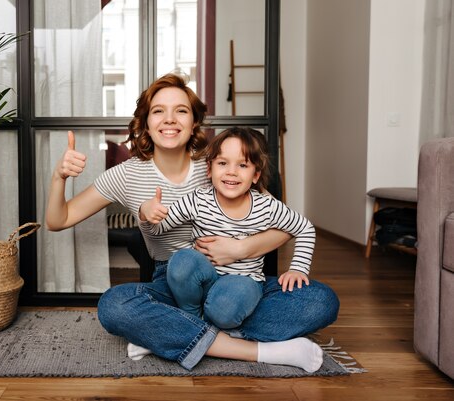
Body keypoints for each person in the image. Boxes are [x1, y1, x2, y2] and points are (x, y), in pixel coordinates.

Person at [46, 73, 339, 373]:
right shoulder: (126, 175)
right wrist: (60, 177)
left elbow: (280, 222)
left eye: (181, 111)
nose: (170, 119)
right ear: (145, 122)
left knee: (321, 301)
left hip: (239, 279)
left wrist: (240, 248)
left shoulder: (219, 163)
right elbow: (58, 220)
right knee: (113, 306)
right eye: (159, 111)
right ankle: (257, 350)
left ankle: (173, 334)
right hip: (173, 284)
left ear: (194, 121)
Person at [138, 126, 316, 331]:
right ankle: (192, 317)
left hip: (242, 283)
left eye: (243, 165)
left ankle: (204, 325)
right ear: (209, 169)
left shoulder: (267, 207)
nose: (231, 171)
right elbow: (158, 230)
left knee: (225, 309)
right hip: (201, 281)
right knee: (182, 260)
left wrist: (297, 269)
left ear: (256, 175)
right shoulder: (198, 200)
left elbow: (305, 228)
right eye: (222, 163)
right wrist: (147, 213)